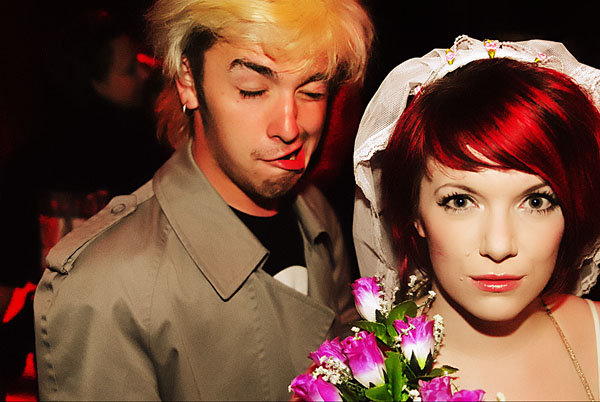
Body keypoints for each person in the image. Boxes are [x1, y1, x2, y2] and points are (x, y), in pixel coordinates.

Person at [34, 0, 374, 400]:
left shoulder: (315, 212)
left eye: (313, 91)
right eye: (252, 90)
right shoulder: (103, 285)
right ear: (188, 81)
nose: (289, 126)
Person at [353, 35, 600, 400]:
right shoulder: (348, 380)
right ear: (415, 213)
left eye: (536, 202)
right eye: (460, 201)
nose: (498, 246)